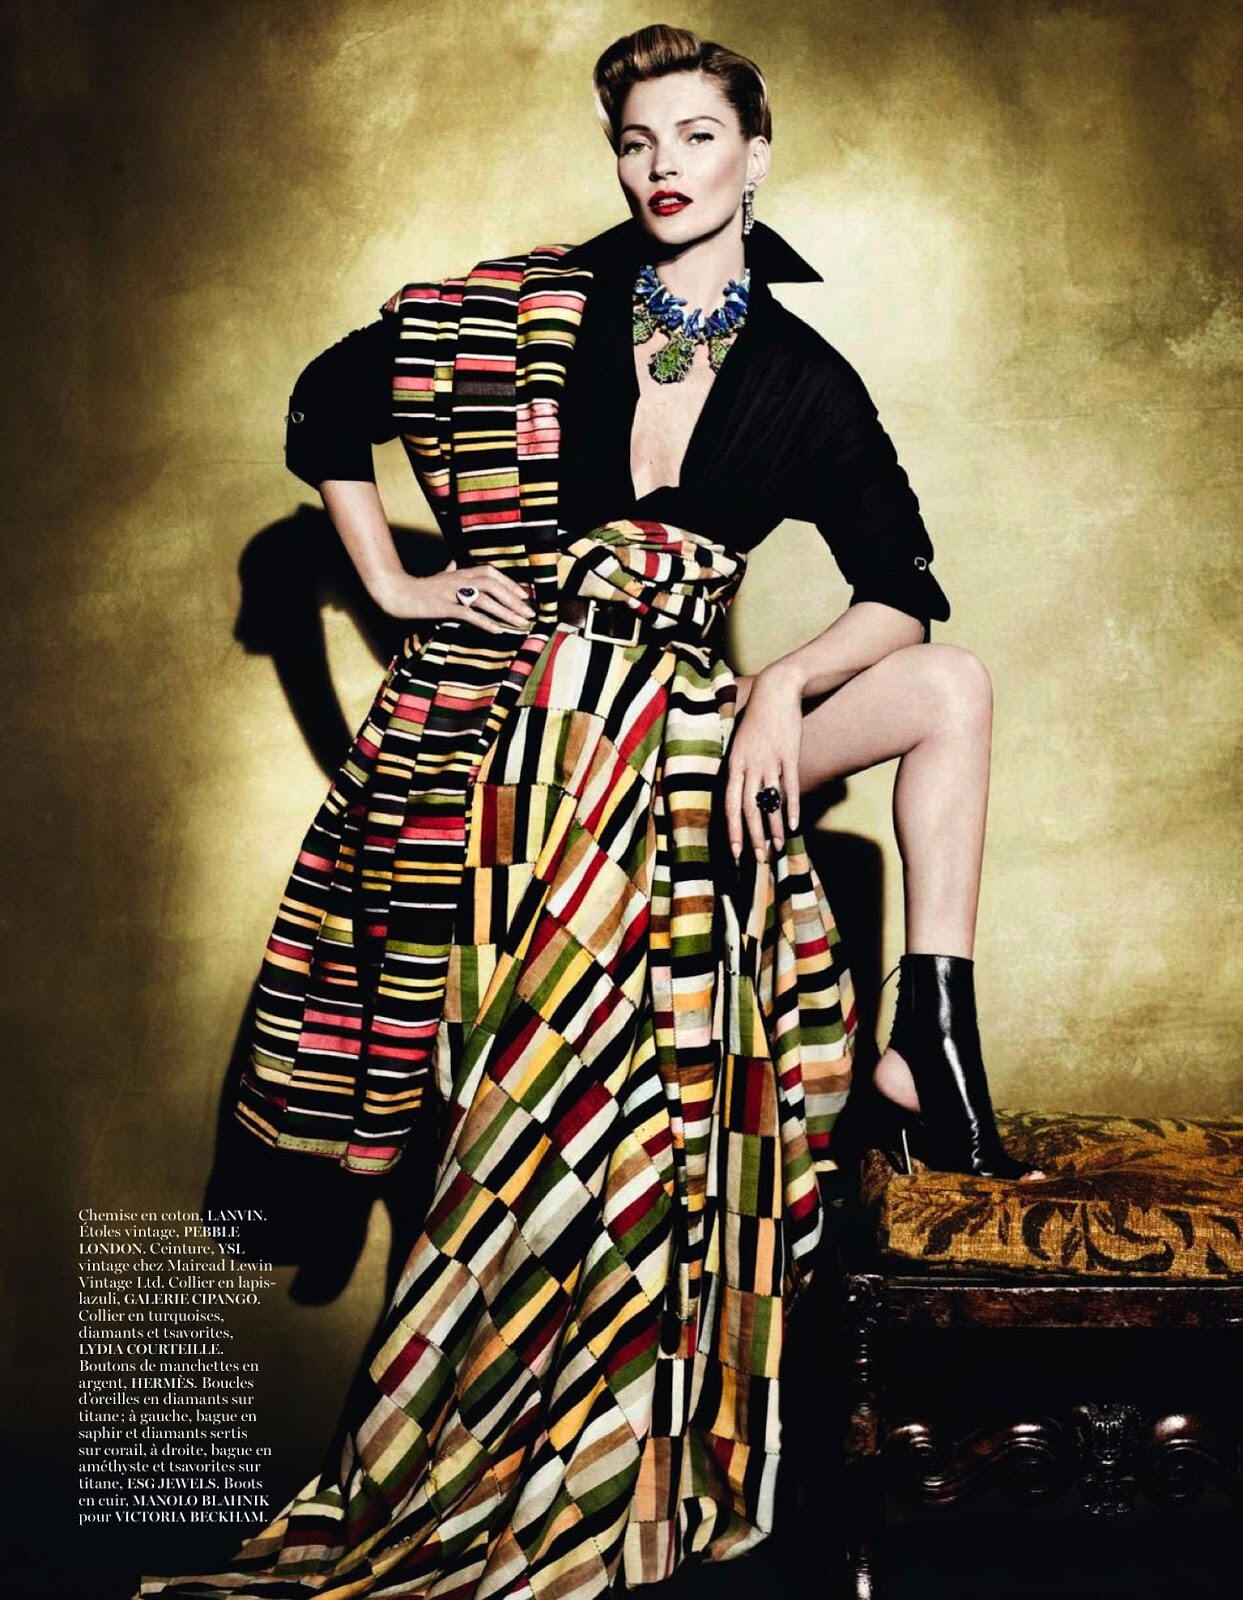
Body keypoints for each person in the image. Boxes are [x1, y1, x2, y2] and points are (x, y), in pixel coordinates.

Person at [136, 22, 1045, 1600]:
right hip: (538, 739)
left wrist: (780, 687)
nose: (662, 166)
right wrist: (403, 586)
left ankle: (932, 1040)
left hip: (695, 724)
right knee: (553, 1113)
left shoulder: (806, 379)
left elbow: (903, 591)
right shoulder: (528, 312)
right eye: (636, 140)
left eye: (695, 135)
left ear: (755, 155)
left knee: (947, 684)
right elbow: (324, 407)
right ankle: (510, 1438)